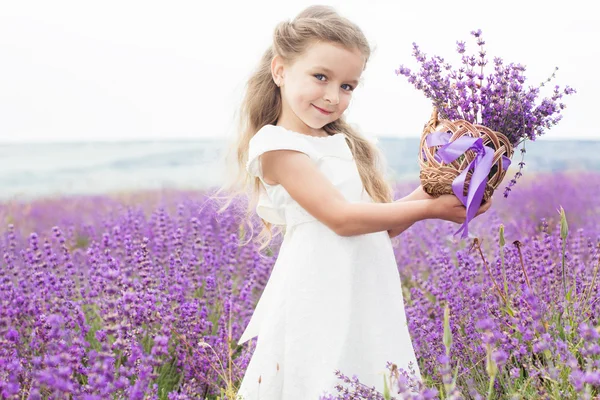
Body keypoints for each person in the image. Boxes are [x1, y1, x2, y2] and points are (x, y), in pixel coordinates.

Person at [218, 5, 492, 399]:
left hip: (367, 288)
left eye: (347, 86)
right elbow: (342, 219)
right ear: (280, 70)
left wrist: (440, 189)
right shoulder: (277, 146)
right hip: (318, 291)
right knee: (320, 377)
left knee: (371, 374)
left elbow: (383, 223)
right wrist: (430, 209)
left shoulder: (342, 144)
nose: (333, 96)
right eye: (320, 77)